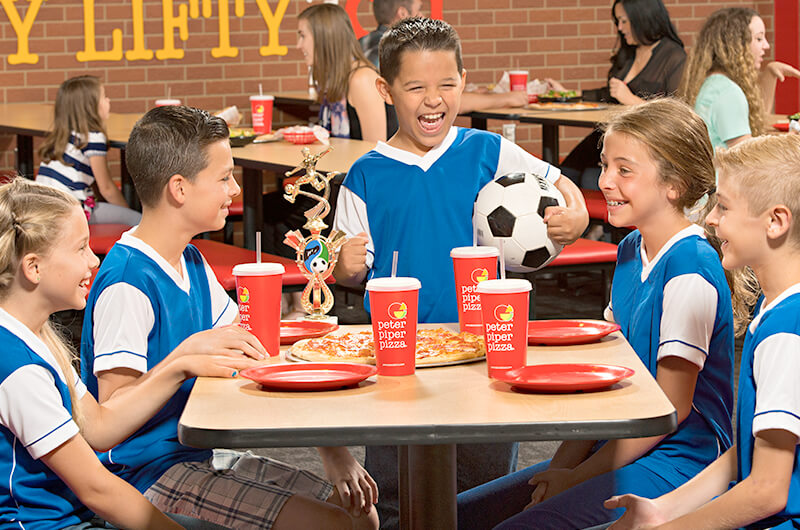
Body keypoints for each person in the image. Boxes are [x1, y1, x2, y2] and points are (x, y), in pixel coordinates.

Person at [332, 17, 589, 529]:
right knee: (395, 489)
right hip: (398, 358)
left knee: (485, 489)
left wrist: (577, 216)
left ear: (464, 83)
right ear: (386, 90)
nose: (434, 100)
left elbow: (562, 186)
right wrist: (344, 266)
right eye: (416, 87)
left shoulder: (487, 151)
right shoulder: (365, 173)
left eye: (446, 84)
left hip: (484, 347)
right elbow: (340, 269)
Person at [80, 105, 379, 530]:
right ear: (179, 189)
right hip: (146, 476)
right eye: (223, 178)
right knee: (337, 525)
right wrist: (180, 361)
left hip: (201, 455)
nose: (235, 189)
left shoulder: (193, 261)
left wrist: (333, 450)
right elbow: (109, 415)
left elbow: (256, 355)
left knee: (360, 514)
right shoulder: (128, 281)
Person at [458, 98, 752, 529]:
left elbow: (667, 413)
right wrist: (559, 469)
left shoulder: (690, 269)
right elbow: (609, 386)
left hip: (679, 460)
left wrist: (576, 478)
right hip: (622, 443)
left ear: (674, 185)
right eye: (604, 164)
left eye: (624, 170)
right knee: (461, 515)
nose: (605, 180)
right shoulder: (631, 249)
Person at [0, 178, 254, 529]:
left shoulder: (35, 337)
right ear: (33, 267)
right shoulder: (19, 368)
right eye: (80, 249)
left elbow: (100, 429)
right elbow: (97, 489)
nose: (93, 261)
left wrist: (179, 364)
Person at [603, 134, 800, 530]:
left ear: (776, 222)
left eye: (723, 207)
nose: (710, 219)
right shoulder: (773, 307)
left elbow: (767, 490)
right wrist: (664, 511)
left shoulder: (785, 332)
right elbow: (747, 452)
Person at [547, 0, 685, 189]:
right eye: (617, 21)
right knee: (563, 175)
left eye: (624, 21)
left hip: (640, 143)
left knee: (589, 179)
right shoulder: (629, 52)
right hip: (607, 136)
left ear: (642, 19)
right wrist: (568, 94)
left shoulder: (673, 56)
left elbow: (675, 113)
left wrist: (631, 101)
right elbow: (609, 94)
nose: (620, 28)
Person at [359, 0, 528, 113]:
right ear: (403, 13)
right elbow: (438, 103)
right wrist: (507, 98)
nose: (423, 16)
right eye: (419, 10)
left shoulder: (361, 45)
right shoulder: (405, 50)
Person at [679, 7, 800, 151]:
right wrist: (792, 139)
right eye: (759, 38)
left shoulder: (714, 84)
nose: (766, 46)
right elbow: (746, 158)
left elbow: (758, 123)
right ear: (736, 45)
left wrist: (770, 74)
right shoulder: (727, 92)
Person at [37, 75, 142, 226]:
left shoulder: (65, 133)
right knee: (138, 221)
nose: (108, 101)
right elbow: (106, 188)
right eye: (104, 97)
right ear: (91, 107)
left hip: (45, 209)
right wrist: (129, 212)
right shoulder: (92, 137)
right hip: (69, 212)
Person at [298, 3, 397, 143]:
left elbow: (375, 151)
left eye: (303, 36)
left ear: (324, 38)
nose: (299, 45)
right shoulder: (334, 78)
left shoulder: (362, 79)